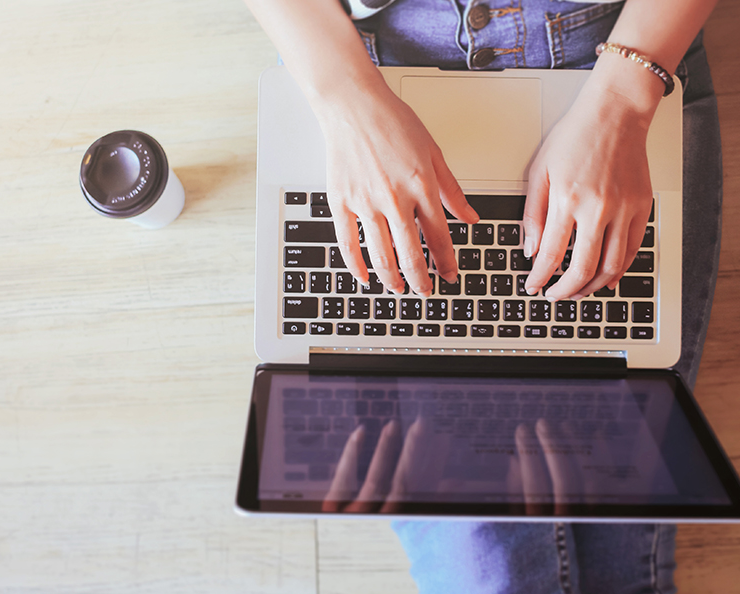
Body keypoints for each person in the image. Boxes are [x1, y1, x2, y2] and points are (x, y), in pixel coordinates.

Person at [243, 0, 722, 592]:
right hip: (370, 68)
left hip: (621, 57)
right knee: (498, 568)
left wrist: (622, 103)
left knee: (606, 545)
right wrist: (347, 101)